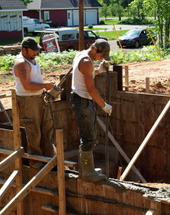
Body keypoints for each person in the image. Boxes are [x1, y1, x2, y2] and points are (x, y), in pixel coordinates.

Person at [69, 39, 112, 182]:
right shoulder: (87, 62)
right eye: (100, 56)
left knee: (88, 136)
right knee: (88, 138)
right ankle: (87, 172)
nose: (101, 58)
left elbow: (85, 75)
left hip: (80, 99)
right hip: (82, 101)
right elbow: (91, 88)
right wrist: (104, 105)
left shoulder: (81, 55)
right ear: (95, 49)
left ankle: (87, 169)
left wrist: (98, 70)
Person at [13, 37, 57, 169]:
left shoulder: (32, 60)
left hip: (38, 98)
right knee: (34, 132)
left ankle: (50, 160)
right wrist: (46, 85)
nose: (35, 53)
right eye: (32, 51)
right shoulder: (21, 63)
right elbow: (27, 86)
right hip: (28, 101)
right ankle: (36, 163)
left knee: (46, 129)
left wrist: (45, 87)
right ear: (24, 49)